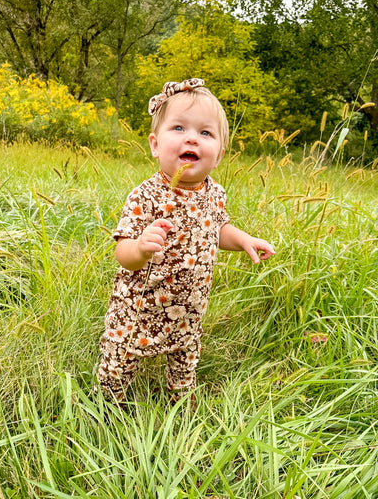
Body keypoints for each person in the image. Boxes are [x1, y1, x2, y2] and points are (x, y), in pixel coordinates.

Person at [97, 78, 275, 403]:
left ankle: (180, 406)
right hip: (139, 308)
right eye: (178, 128)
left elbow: (219, 229)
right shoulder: (146, 195)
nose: (192, 137)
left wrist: (245, 240)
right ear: (154, 144)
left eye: (205, 133)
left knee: (185, 359)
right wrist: (139, 248)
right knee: (119, 361)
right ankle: (108, 405)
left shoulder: (215, 193)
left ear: (218, 155)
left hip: (188, 311)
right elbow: (122, 252)